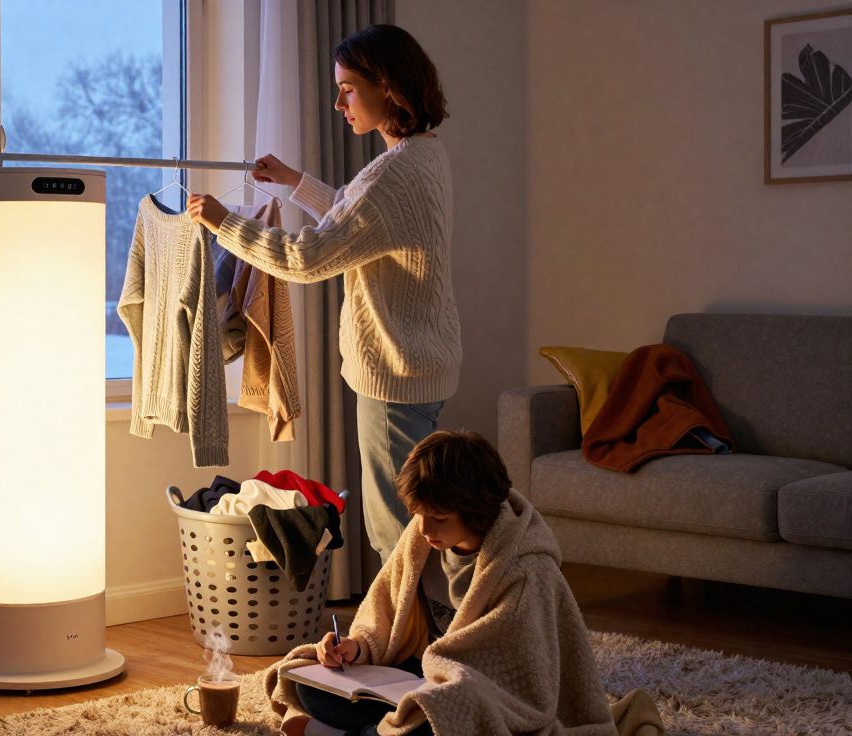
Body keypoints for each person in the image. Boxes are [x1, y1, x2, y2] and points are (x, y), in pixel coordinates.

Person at [186, 24, 461, 563]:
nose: (338, 103)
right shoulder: (424, 157)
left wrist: (223, 225)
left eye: (349, 89)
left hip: (393, 376)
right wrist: (295, 182)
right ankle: (432, 630)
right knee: (420, 521)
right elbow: (359, 218)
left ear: (388, 86)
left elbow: (309, 257)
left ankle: (412, 642)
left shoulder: (391, 174)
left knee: (397, 533)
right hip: (425, 367)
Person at [263, 430, 617, 736]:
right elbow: (384, 612)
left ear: (476, 509)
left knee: (442, 717)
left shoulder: (526, 570)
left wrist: (438, 689)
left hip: (470, 687)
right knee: (305, 681)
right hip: (415, 676)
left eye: (440, 518)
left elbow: (521, 689)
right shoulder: (422, 537)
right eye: (419, 515)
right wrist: (354, 647)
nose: (426, 529)